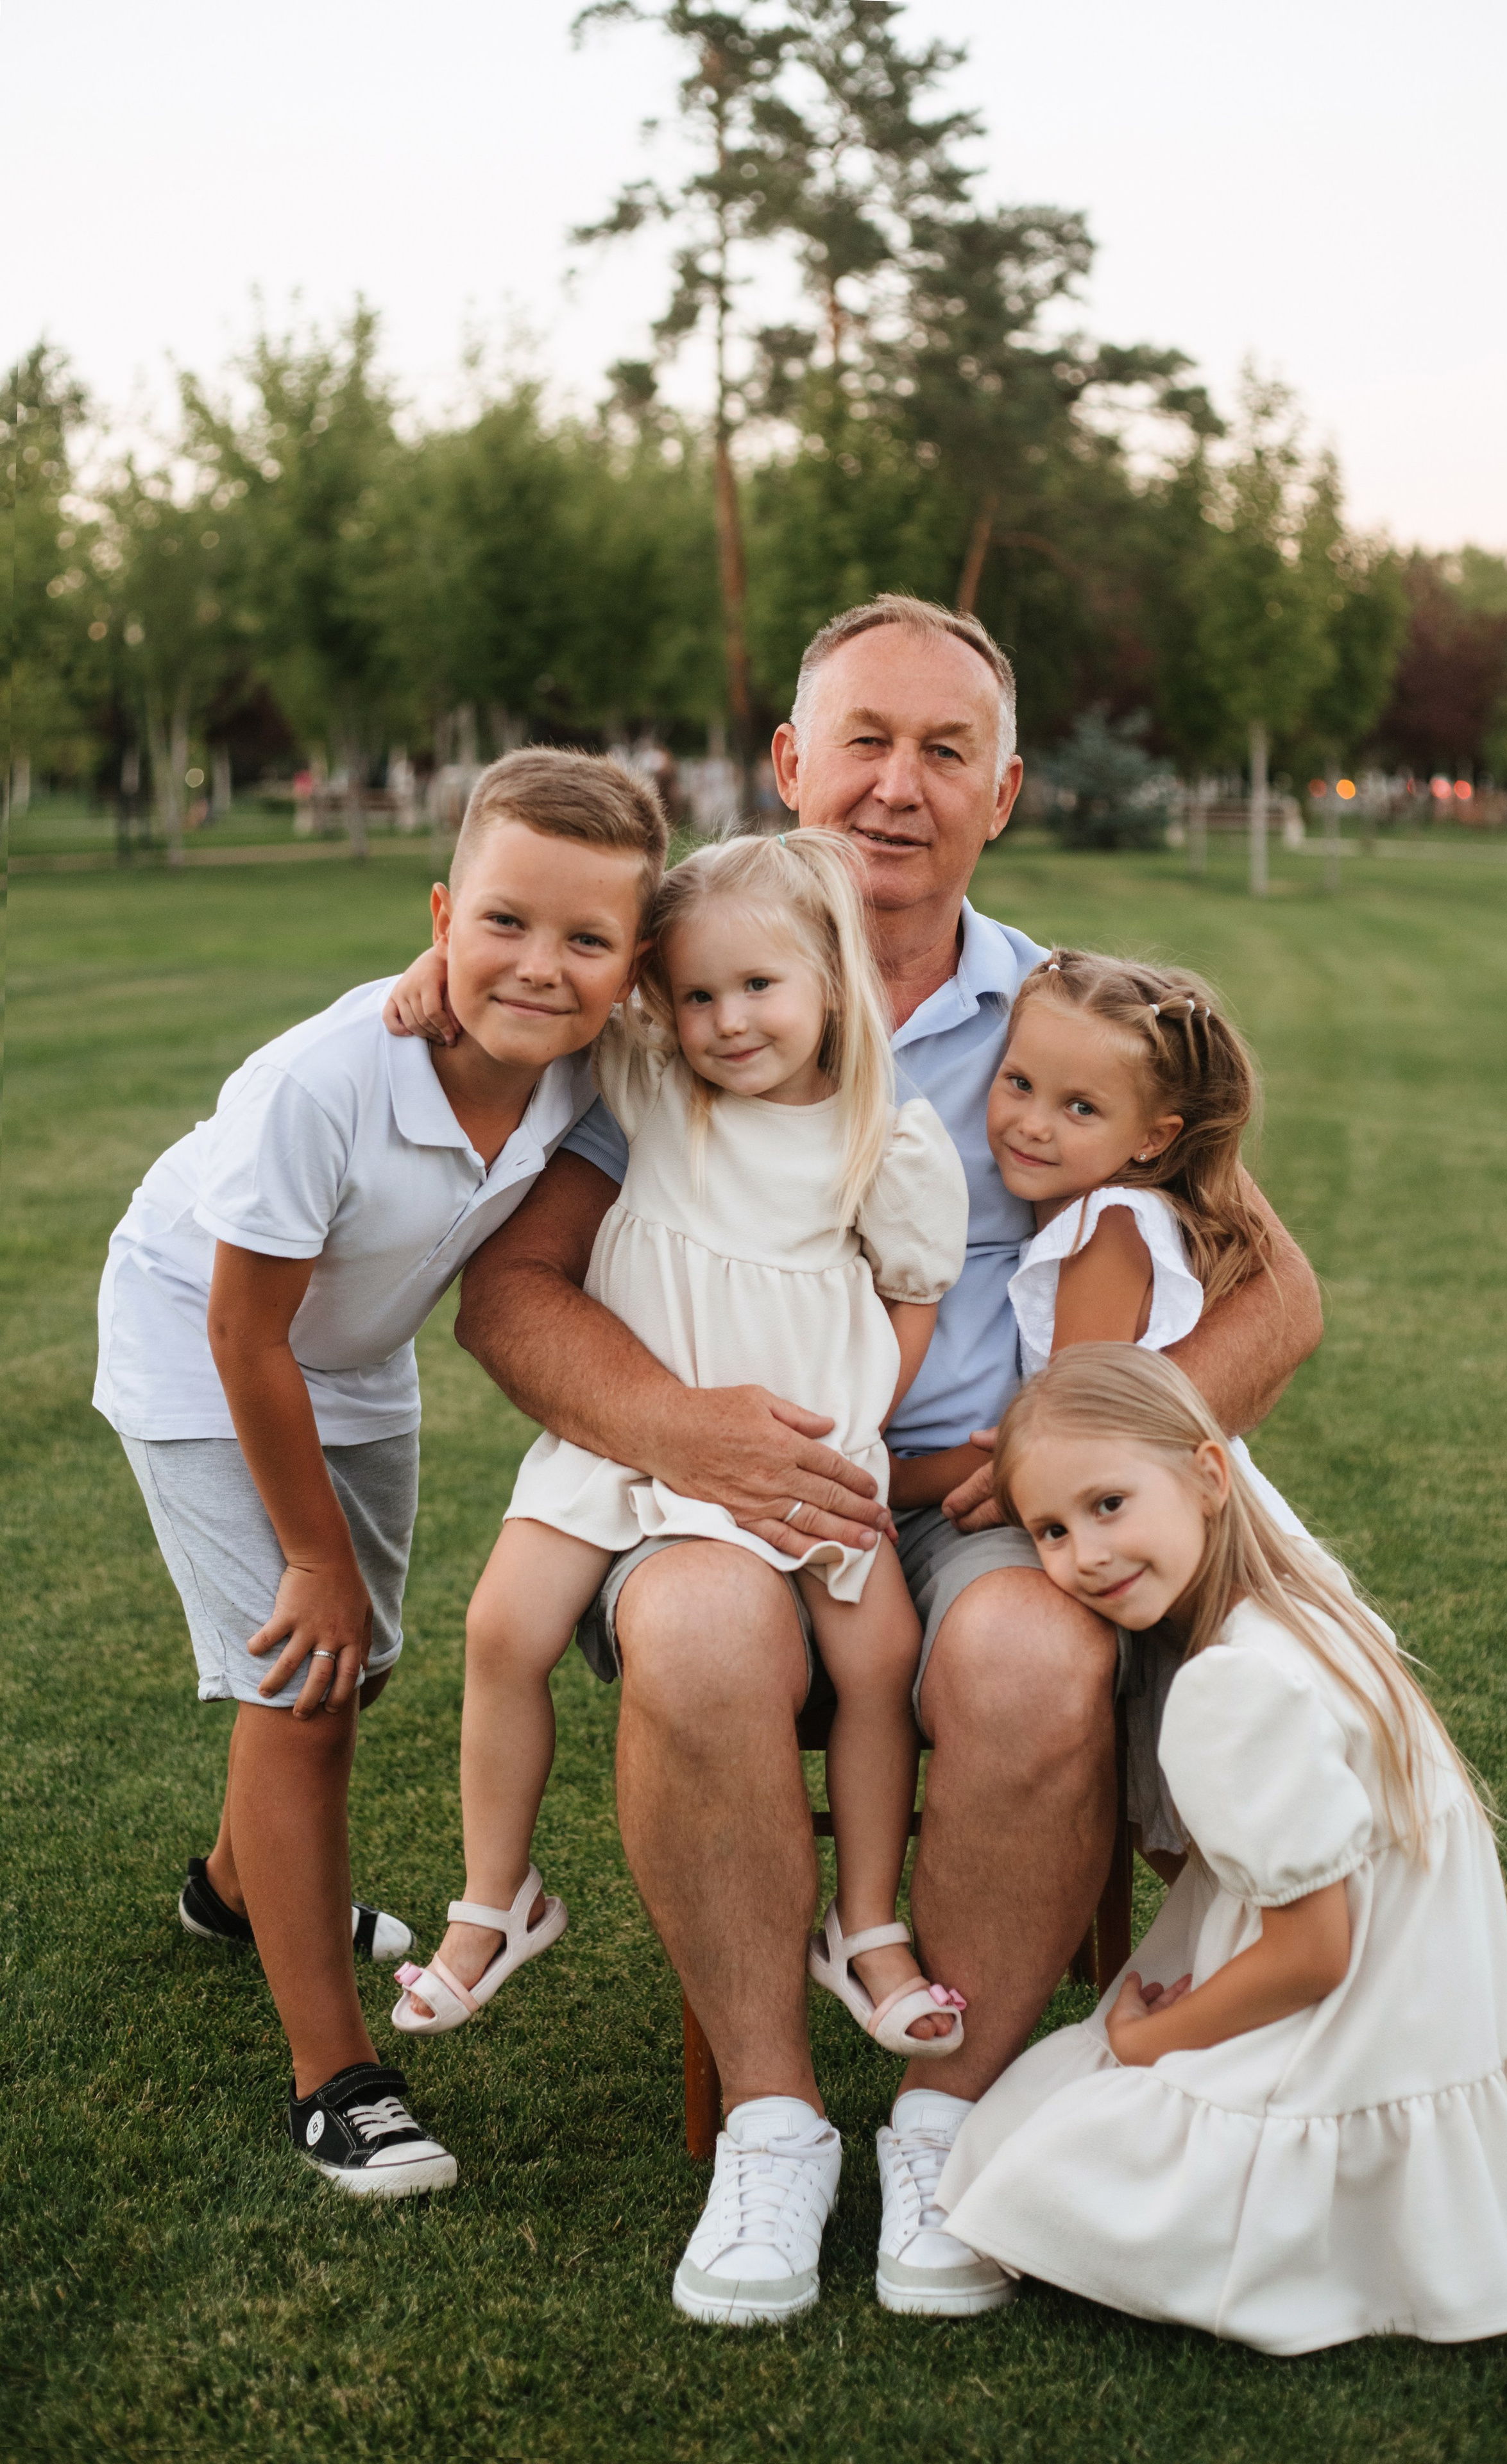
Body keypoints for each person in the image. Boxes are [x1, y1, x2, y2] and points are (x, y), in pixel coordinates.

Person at [425, 595, 1323, 2322]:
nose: (898, 785)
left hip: (980, 1509)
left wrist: (1097, 1463)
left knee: (1033, 1648)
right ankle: (775, 2119)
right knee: (693, 1631)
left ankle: (944, 2116)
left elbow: (1277, 1297)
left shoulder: (1065, 1013)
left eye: (945, 751)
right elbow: (514, 1299)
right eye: (863, 739)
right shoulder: (687, 974)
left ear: (1007, 791)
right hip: (731, 1491)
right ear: (788, 764)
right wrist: (688, 1434)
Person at [93, 749, 666, 2195]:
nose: (539, 967)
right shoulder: (321, 1084)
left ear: (634, 966)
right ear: (439, 914)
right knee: (302, 1680)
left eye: (586, 940)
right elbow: (242, 1330)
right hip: (204, 1343)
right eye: (502, 924)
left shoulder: (591, 1062)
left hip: (353, 1360)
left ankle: (236, 1893)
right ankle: (337, 2080)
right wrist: (310, 1553)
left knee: (362, 1669)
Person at [389, 830, 976, 2080]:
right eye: (697, 994)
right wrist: (429, 974)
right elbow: (550, 991)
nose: (725, 1021)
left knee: (877, 1660)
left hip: (796, 1450)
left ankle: (864, 1921)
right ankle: (495, 1903)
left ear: (830, 975)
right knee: (501, 1630)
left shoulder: (885, 1139)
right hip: (624, 1440)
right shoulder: (655, 1087)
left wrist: (861, 1418)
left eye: (757, 987)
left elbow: (913, 1293)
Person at [939, 1344, 1507, 2352]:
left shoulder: (1230, 1689)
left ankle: (1280, 2213)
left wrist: (1151, 2040)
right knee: (1037, 2112)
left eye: (1109, 1504)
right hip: (1420, 2025)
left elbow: (1312, 1956)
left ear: (1208, 1474)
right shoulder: (1315, 1604)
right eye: (1050, 1531)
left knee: (1007, 2152)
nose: (1085, 1556)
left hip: (1335, 2030)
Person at [986, 946, 1311, 1861]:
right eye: (1018, 1083)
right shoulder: (1098, 1210)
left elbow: (1075, 1433)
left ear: (1153, 1138)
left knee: (1211, 1783)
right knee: (1198, 1787)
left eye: (1079, 1108)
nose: (1033, 1126)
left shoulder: (1101, 1228)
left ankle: (1252, 1968)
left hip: (1152, 1532)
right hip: (1141, 1509)